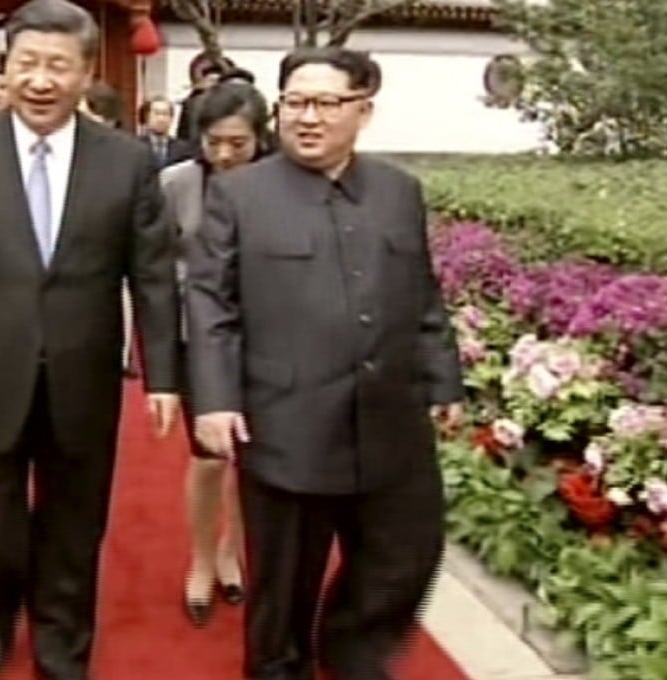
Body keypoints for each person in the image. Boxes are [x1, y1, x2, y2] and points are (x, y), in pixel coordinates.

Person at [0, 0, 180, 676]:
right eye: (26, 63)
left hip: (81, 378)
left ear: (86, 72)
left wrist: (164, 377)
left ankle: (63, 650)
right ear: (5, 67)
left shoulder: (125, 162)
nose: (39, 80)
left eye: (57, 66)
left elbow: (152, 278)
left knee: (72, 530)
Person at [186, 47, 464, 680]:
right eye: (295, 103)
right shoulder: (239, 193)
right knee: (282, 588)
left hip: (388, 420)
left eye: (326, 104)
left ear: (363, 111)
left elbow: (421, 292)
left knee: (407, 555)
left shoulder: (398, 191)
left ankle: (351, 651)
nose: (307, 118)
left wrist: (443, 380)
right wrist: (215, 399)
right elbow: (209, 302)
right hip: (287, 425)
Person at [161, 82, 270, 628]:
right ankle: (202, 558)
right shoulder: (176, 184)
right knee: (209, 456)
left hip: (269, 338)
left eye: (238, 143)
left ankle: (232, 552)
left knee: (257, 456)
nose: (224, 154)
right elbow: (154, 269)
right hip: (198, 337)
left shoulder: (281, 184)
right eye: (213, 142)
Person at [138, 95, 191, 169]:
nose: (161, 119)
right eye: (157, 113)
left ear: (171, 119)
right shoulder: (137, 146)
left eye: (165, 114)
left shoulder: (183, 149)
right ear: (147, 117)